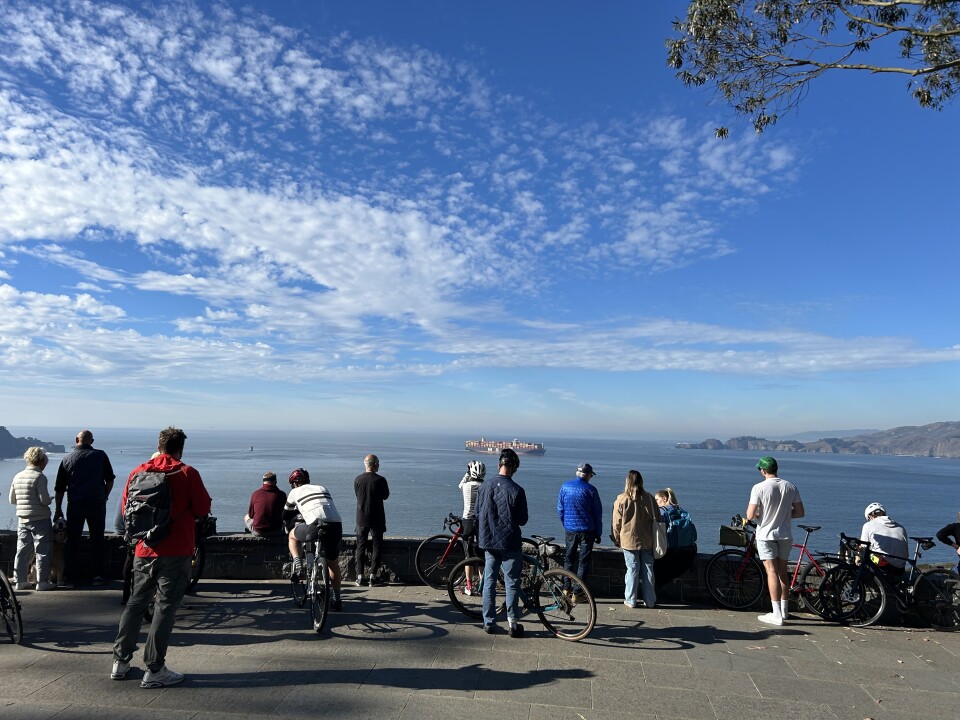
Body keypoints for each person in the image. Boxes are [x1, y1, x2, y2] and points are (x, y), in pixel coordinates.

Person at [111, 427, 212, 688]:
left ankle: (120, 661)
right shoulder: (187, 472)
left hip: (144, 549)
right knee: (165, 606)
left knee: (136, 602)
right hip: (176, 549)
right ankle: (155, 668)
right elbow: (202, 507)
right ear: (180, 448)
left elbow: (125, 510)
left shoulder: (138, 471)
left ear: (159, 444)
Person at [475, 448, 528, 637]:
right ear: (514, 468)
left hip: (488, 541)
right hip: (510, 542)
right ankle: (513, 623)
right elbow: (523, 520)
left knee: (489, 581)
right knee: (512, 582)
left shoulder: (484, 487)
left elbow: (477, 513)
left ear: (499, 465)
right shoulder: (517, 490)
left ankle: (488, 622)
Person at [746, 456, 804, 627]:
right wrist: (784, 515)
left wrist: (761, 516)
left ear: (763, 471)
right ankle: (785, 611)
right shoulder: (790, 486)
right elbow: (800, 512)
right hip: (785, 534)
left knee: (771, 572)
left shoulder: (759, 488)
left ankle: (776, 613)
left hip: (766, 535)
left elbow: (750, 515)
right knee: (782, 572)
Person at [54, 429, 116, 586]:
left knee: (72, 540)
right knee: (97, 539)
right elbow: (110, 479)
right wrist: (105, 496)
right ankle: (97, 575)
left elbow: (59, 488)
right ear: (92, 442)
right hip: (96, 502)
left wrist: (58, 509)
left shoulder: (67, 459)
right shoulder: (100, 455)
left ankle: (69, 576)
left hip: (75, 503)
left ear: (76, 440)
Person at [283, 468, 344, 611]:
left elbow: (285, 515)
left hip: (315, 524)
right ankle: (337, 599)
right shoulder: (322, 487)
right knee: (332, 563)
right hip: (336, 524)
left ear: (294, 484)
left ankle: (298, 565)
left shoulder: (294, 492)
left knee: (292, 535)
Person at [7, 447, 56, 591]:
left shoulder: (17, 476)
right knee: (42, 550)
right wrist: (50, 499)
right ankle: (42, 582)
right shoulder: (40, 477)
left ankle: (20, 580)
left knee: (22, 549)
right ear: (41, 461)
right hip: (40, 518)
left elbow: (12, 499)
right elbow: (44, 500)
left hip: (22, 517)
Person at [611, 470, 657, 608]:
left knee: (632, 569)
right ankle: (650, 601)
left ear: (627, 481)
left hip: (628, 540)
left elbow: (616, 522)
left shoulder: (622, 499)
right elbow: (658, 519)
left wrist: (616, 538)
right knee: (648, 569)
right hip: (647, 539)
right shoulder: (649, 498)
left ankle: (631, 600)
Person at [557, 462, 603, 584]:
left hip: (570, 530)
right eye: (591, 475)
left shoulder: (565, 486)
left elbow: (560, 509)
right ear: (587, 475)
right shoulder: (591, 490)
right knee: (583, 562)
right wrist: (598, 533)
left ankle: (566, 588)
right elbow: (597, 513)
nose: (591, 478)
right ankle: (578, 592)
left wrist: (566, 524)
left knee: (568, 560)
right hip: (587, 531)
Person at [354, 453, 390, 587]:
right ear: (374, 464)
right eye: (378, 462)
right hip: (377, 517)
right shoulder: (380, 480)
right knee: (377, 546)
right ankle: (373, 577)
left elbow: (357, 495)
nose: (379, 465)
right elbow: (385, 496)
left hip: (361, 517)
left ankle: (360, 577)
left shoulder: (357, 479)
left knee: (360, 547)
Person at [653, 487, 698, 588]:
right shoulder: (680, 510)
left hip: (669, 552)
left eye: (657, 499)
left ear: (664, 498)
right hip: (686, 552)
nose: (655, 502)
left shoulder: (662, 512)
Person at [860, 502, 909, 579]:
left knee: (865, 554)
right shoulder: (901, 527)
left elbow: (863, 547)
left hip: (883, 567)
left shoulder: (868, 525)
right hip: (900, 569)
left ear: (870, 516)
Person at [243, 471, 287, 537]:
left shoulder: (256, 494)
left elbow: (251, 515)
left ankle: (251, 530)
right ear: (275, 482)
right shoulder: (282, 495)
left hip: (259, 532)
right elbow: (285, 514)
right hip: (277, 532)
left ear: (263, 482)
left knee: (246, 517)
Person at [458, 460, 485, 544]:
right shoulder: (486, 486)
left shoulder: (465, 486)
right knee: (481, 544)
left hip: (467, 519)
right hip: (481, 520)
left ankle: (468, 556)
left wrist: (468, 472)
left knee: (466, 543)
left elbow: (461, 484)